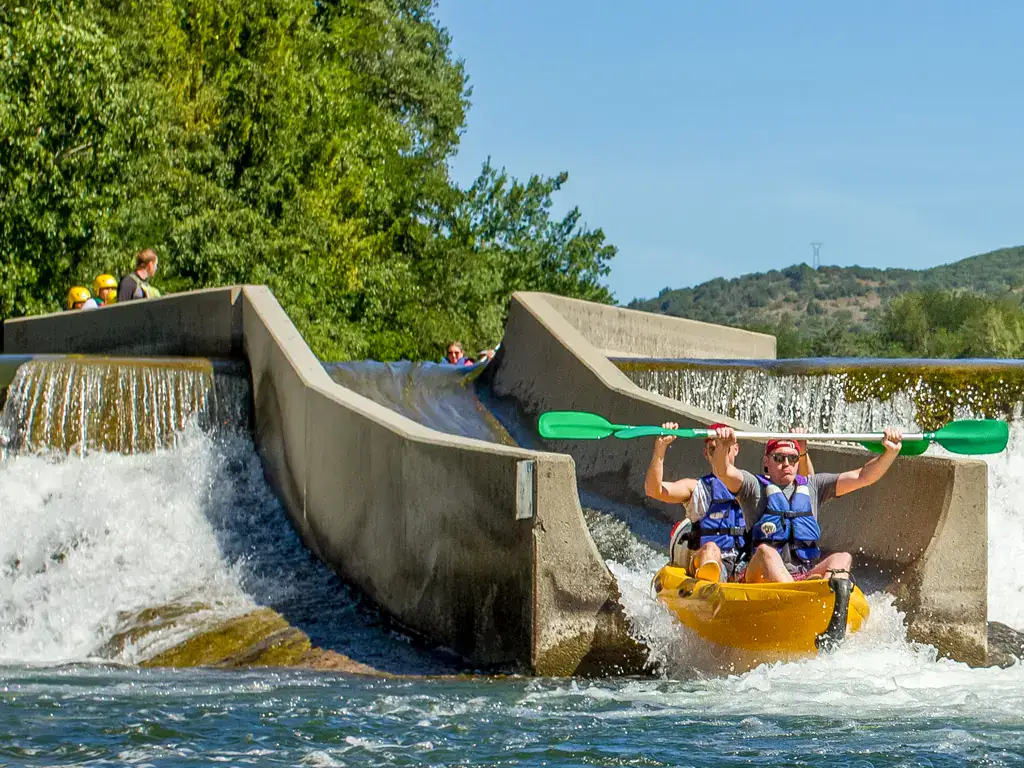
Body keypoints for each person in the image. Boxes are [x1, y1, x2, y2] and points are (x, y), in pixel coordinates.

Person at [709, 424, 902, 584]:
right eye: (779, 458)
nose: (786, 463)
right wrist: (722, 447)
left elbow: (863, 476)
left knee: (843, 558)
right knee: (766, 552)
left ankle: (831, 614)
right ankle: (796, 598)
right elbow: (723, 471)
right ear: (767, 461)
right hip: (760, 577)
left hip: (803, 574)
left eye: (792, 458)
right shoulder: (753, 486)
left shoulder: (813, 486)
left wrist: (889, 454)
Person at [644, 422, 814, 583]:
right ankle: (710, 589)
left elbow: (805, 485)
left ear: (736, 449)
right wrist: (660, 449)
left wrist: (802, 451)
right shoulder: (697, 488)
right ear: (706, 453)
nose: (720, 451)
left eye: (726, 446)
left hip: (745, 566)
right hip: (712, 562)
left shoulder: (756, 487)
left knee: (768, 553)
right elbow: (654, 490)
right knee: (711, 549)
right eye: (714, 448)